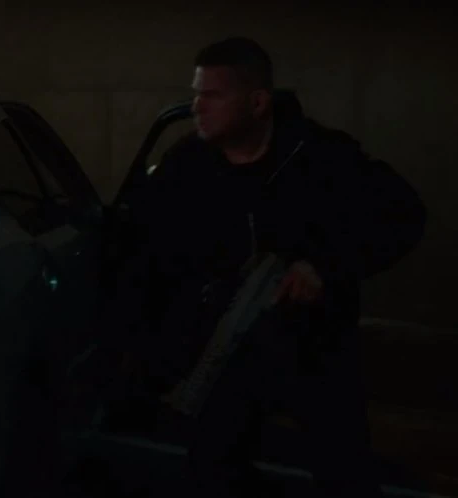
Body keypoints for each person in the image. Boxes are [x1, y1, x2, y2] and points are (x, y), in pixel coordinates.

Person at [108, 37, 427, 497]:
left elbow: (403, 214)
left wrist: (326, 267)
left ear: (257, 102)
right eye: (196, 93)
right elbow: (144, 250)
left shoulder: (320, 156)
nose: (197, 106)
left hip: (314, 347)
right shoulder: (188, 163)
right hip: (226, 351)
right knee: (212, 467)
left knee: (345, 473)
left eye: (213, 95)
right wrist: (146, 342)